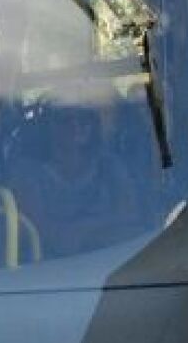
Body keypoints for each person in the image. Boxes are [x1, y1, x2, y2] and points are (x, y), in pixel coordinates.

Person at [8, 104, 144, 258]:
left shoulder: (110, 165)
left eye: (84, 119)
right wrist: (102, 224)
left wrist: (79, 230)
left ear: (93, 125)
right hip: (47, 267)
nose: (75, 125)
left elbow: (130, 214)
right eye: (64, 119)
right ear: (47, 125)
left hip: (114, 258)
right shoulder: (26, 172)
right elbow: (35, 230)